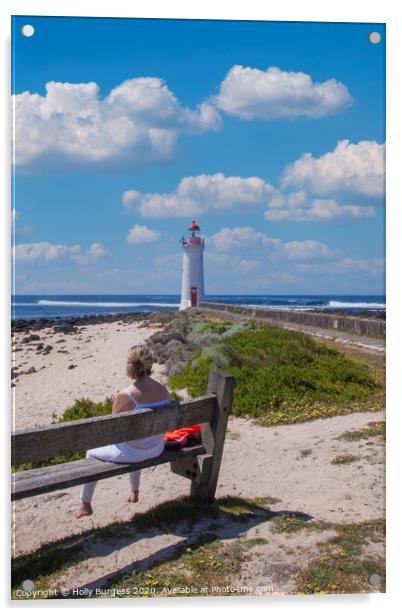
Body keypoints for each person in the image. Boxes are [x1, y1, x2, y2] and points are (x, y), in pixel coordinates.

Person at [74, 345, 170, 519]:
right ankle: (135, 491)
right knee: (136, 440)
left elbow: (112, 430)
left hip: (133, 452)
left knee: (91, 452)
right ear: (149, 365)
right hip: (157, 447)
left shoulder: (125, 395)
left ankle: (85, 504)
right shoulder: (164, 391)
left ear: (130, 366)